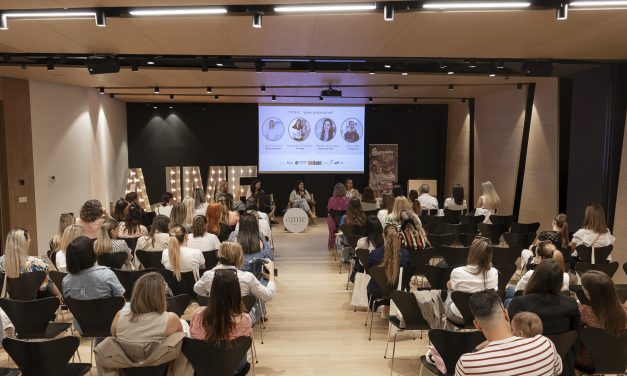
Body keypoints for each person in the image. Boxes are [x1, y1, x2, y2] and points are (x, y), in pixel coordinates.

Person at [455, 290, 562, 376]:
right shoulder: (544, 343)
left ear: (477, 325)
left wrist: (476, 349)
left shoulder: (468, 364)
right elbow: (557, 371)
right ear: (506, 314)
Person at [103, 272, 190, 374]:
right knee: (184, 327)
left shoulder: (120, 316)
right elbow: (181, 345)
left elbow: (115, 339)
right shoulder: (171, 319)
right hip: (162, 370)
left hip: (127, 370)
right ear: (161, 296)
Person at [508, 259, 580, 375]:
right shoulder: (571, 304)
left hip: (526, 365)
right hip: (562, 366)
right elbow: (575, 339)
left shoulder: (519, 303)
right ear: (560, 281)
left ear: (535, 278)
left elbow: (508, 337)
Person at [194, 242, 277, 322]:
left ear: (220, 255)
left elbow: (197, 290)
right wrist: (271, 272)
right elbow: (268, 295)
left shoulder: (208, 275)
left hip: (214, 319)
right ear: (240, 258)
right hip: (240, 320)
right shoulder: (247, 277)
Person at [190, 269, 252, 375]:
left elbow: (193, 337)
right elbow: (246, 345)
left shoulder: (197, 313)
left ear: (213, 290)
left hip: (203, 368)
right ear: (237, 292)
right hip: (233, 369)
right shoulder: (245, 320)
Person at [576, 271, 627, 373]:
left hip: (591, 364)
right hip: (620, 360)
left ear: (589, 293)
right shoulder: (625, 312)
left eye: (584, 288)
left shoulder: (583, 312)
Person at [446, 238, 498, 325]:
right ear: (490, 255)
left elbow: (449, 286)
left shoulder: (457, 271)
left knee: (450, 288)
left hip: (459, 317)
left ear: (471, 252)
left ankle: (447, 334)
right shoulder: (494, 272)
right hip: (484, 318)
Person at [1, 227, 59, 298]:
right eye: (28, 239)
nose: (30, 240)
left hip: (8, 306)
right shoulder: (39, 263)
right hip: (34, 307)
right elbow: (52, 290)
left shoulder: (1, 262)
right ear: (24, 242)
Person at [62, 236, 125, 300]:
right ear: (91, 254)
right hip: (106, 309)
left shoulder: (66, 281)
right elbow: (120, 300)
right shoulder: (107, 274)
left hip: (81, 310)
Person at [366, 225, 410, 305]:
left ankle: (385, 310)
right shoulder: (405, 254)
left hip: (378, 291)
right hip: (400, 291)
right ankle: (388, 310)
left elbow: (370, 272)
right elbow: (407, 273)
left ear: (383, 235)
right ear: (398, 235)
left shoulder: (373, 255)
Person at [327, 183, 351, 250]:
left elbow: (329, 210)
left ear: (335, 190)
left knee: (330, 217)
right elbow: (349, 210)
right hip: (344, 223)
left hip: (333, 223)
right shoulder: (348, 199)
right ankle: (347, 244)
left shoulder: (331, 199)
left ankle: (331, 245)